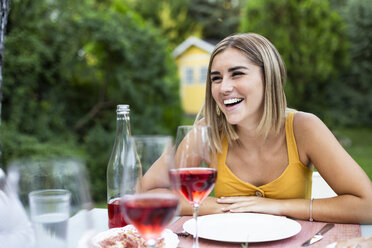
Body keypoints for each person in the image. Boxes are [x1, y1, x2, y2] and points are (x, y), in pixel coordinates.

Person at [143, 33, 372, 224]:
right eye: (216, 78)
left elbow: (367, 206)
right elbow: (147, 192)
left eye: (237, 74)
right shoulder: (207, 132)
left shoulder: (304, 128)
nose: (224, 88)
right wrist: (223, 207)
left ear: (268, 77)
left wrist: (278, 207)